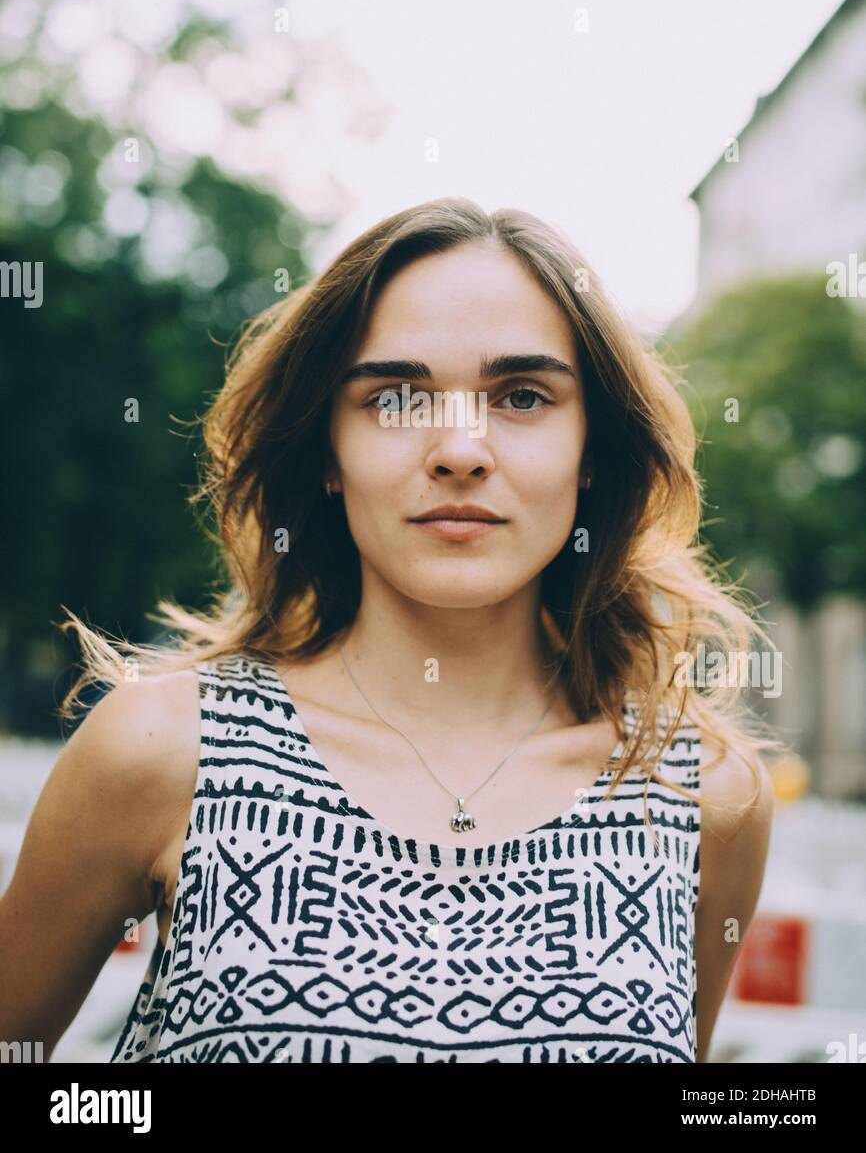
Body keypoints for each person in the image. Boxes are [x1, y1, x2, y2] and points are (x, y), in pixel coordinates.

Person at [0, 197, 779, 1063]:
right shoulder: (161, 752)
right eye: (397, 396)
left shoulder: (704, 797)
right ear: (328, 450)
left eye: (523, 395)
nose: (459, 449)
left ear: (592, 449)